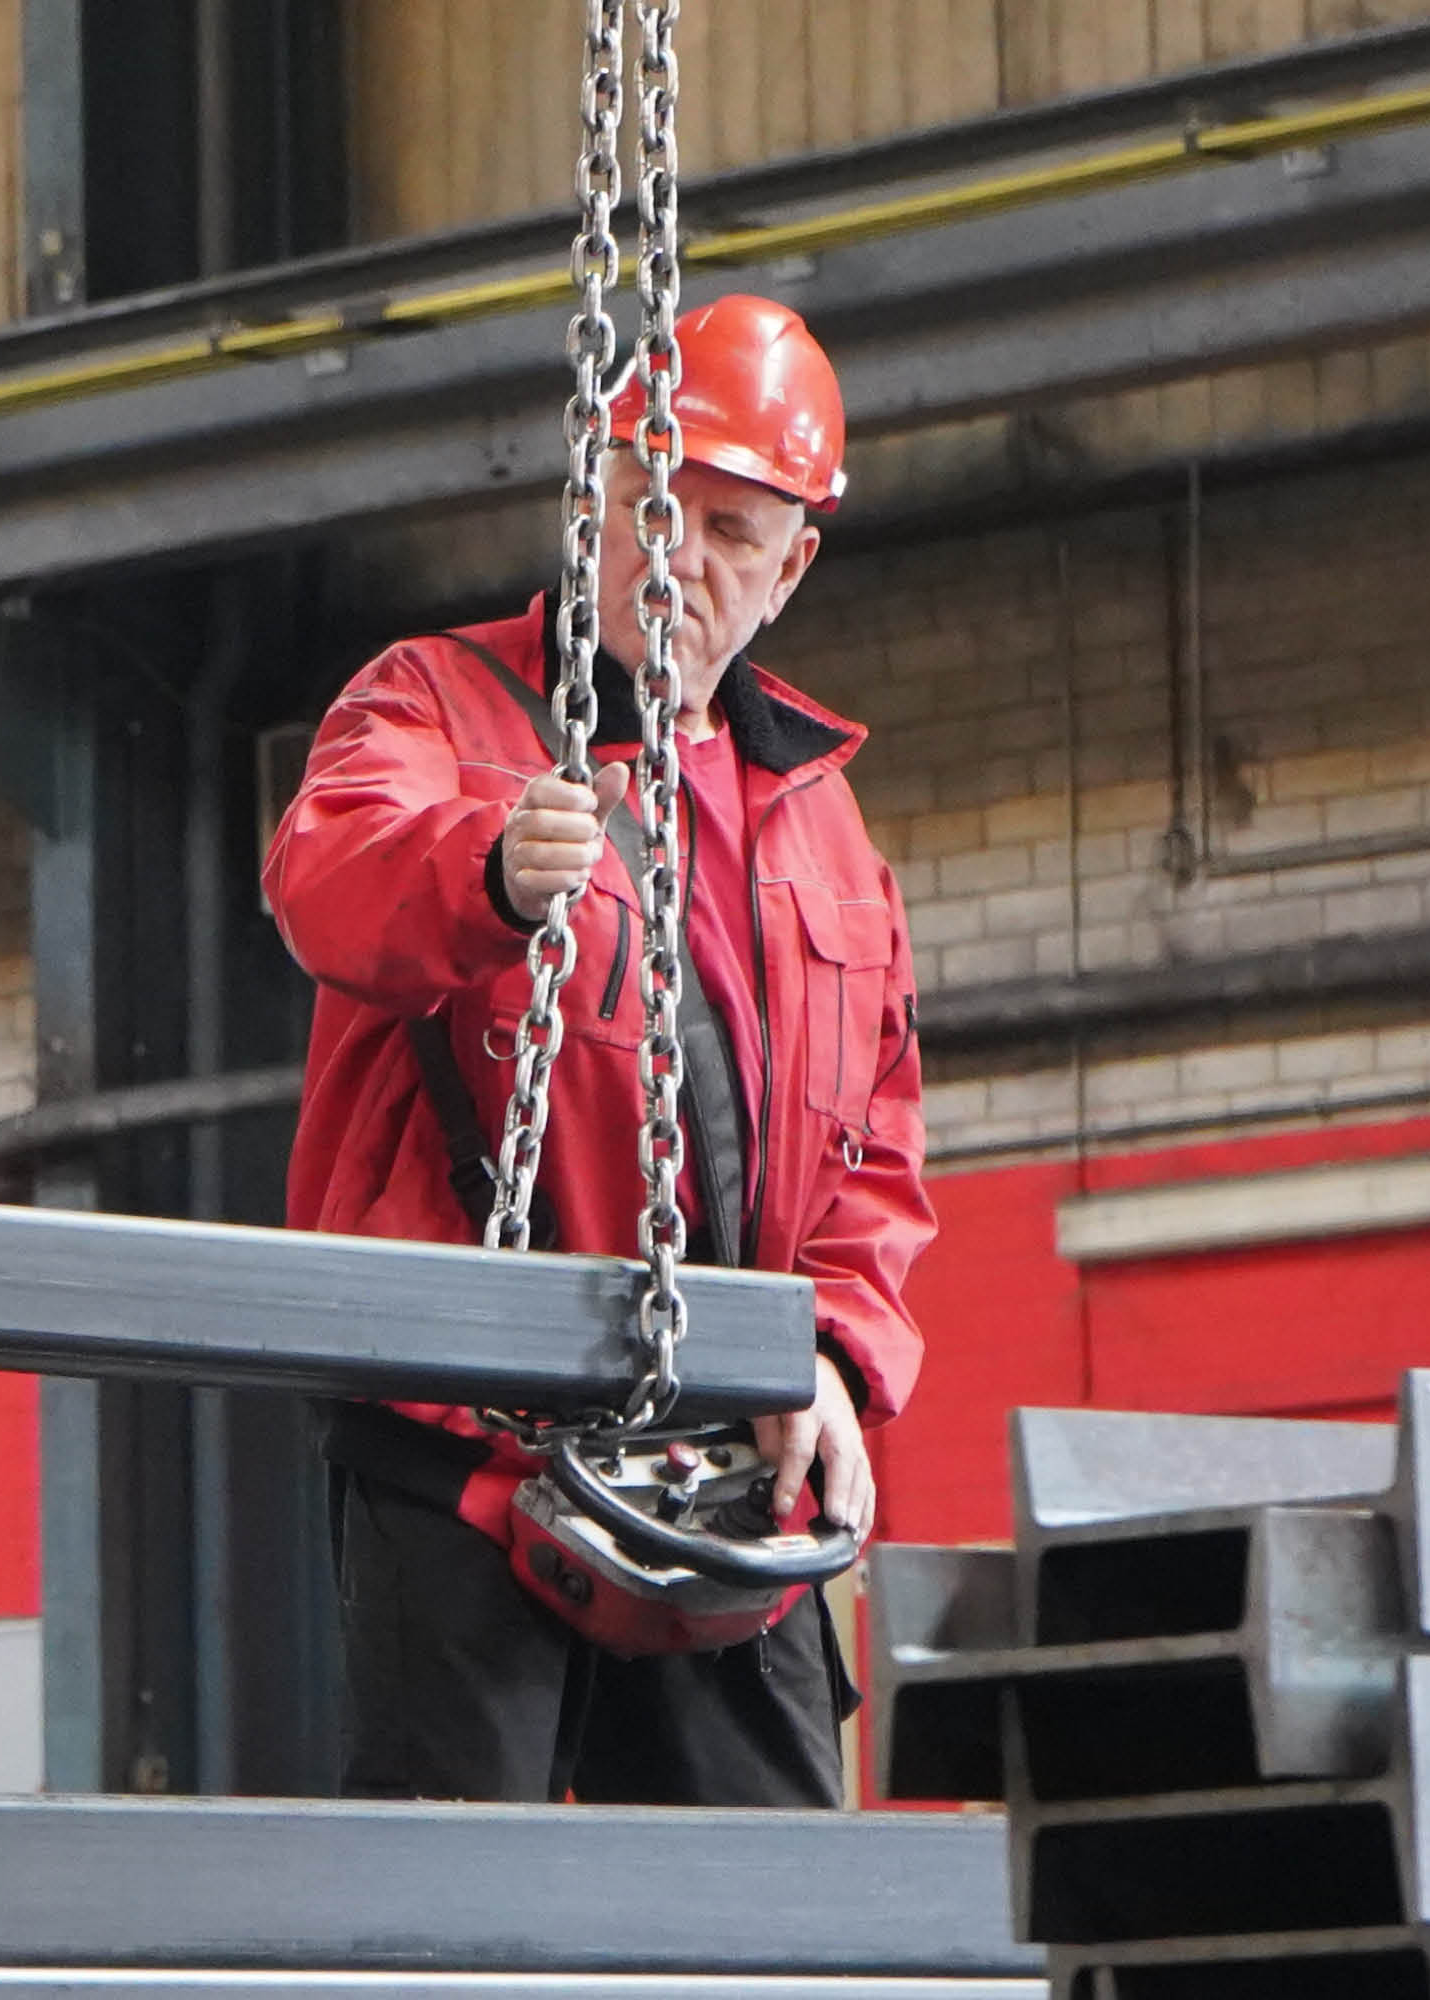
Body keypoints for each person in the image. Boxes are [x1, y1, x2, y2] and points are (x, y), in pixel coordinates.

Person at [260, 293, 934, 1807]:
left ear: (791, 566)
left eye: (733, 530)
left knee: (768, 1938)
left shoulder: (817, 822)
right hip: (467, 1444)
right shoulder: (433, 706)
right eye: (650, 503)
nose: (680, 557)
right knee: (463, 1934)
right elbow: (324, 878)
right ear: (590, 495)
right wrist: (485, 871)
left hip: (724, 1460)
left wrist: (828, 1354)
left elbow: (873, 1146)